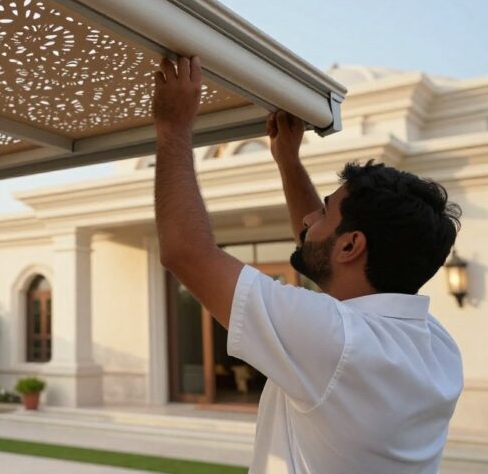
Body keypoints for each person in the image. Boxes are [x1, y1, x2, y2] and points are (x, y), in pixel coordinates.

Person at [152, 56, 463, 473]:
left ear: (352, 245)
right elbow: (326, 256)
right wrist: (288, 161)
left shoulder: (340, 341)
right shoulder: (433, 344)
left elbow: (185, 252)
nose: (307, 220)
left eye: (325, 213)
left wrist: (173, 128)